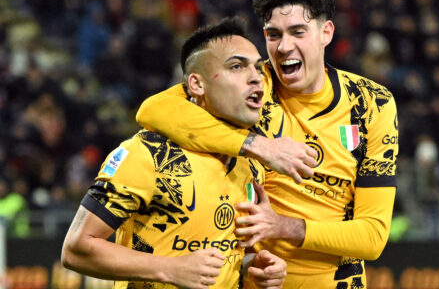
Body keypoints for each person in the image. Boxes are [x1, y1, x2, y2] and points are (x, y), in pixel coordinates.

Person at [136, 0, 399, 288]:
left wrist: (283, 226)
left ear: (326, 33)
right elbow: (152, 110)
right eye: (273, 35)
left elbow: (372, 237)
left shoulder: (371, 104)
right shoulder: (251, 85)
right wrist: (257, 145)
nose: (284, 46)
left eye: (298, 32)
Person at [61, 17, 287, 289]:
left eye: (258, 67)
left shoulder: (251, 163)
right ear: (197, 85)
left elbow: (222, 253)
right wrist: (170, 269)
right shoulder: (147, 153)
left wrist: (254, 265)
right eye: (237, 66)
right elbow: (76, 249)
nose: (256, 77)